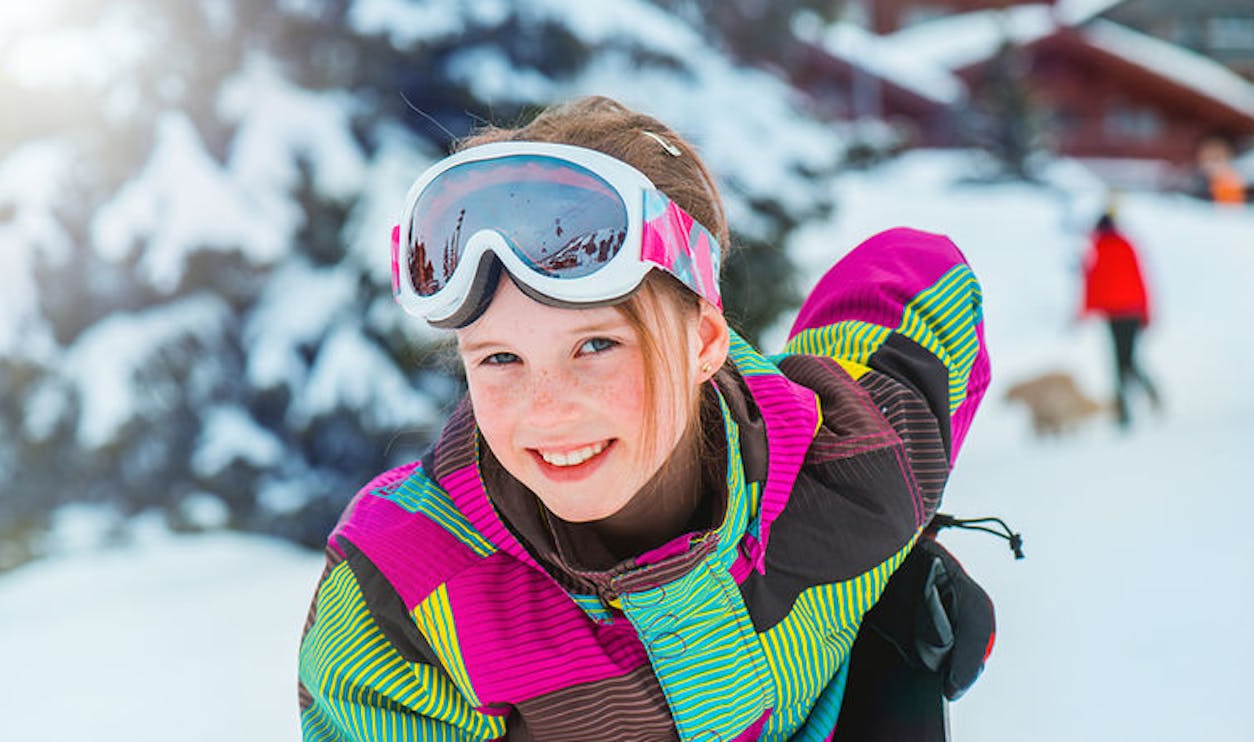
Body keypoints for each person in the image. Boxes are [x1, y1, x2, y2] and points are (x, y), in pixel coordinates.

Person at [297, 96, 991, 741]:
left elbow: (927, 275)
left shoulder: (846, 459)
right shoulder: (402, 587)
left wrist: (899, 558)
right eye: (501, 359)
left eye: (595, 345)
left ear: (705, 344)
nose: (547, 409)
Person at [1081, 209, 1161, 429]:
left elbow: (1091, 283)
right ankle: (1139, 401)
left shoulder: (1097, 249)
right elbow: (1140, 280)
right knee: (1127, 360)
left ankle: (1127, 410)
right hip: (1130, 312)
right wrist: (1146, 312)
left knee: (1121, 362)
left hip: (1115, 314)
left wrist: (1084, 310)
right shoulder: (1125, 246)